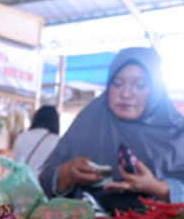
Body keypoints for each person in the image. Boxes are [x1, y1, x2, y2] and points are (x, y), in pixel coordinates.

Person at [39, 47, 184, 210]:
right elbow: (46, 178)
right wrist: (69, 172)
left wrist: (156, 187)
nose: (126, 94)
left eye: (140, 84)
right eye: (117, 83)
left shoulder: (177, 132)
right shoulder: (90, 120)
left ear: (156, 90)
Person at [12, 105, 60, 177]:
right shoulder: (57, 141)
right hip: (42, 186)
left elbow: (14, 165)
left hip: (21, 184)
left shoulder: (22, 137)